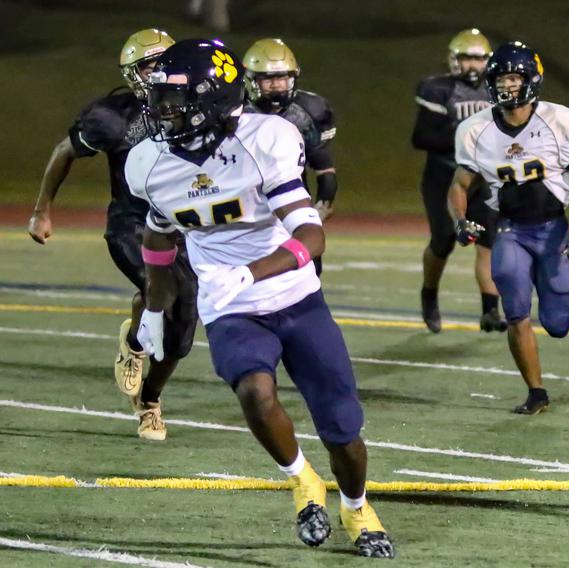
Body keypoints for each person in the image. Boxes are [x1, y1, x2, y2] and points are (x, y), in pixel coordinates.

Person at [126, 39, 393, 558]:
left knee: (342, 430)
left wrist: (248, 274)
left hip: (294, 295)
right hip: (230, 306)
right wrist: (155, 307)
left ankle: (357, 505)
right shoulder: (149, 162)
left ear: (214, 100)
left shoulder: (266, 138)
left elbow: (311, 238)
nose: (162, 111)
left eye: (175, 100)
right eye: (160, 98)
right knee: (254, 391)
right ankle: (301, 481)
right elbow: (158, 237)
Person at [26, 28, 196, 441]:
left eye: (164, 62)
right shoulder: (113, 115)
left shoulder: (194, 105)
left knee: (182, 332)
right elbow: (64, 150)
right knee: (166, 294)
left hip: (182, 224)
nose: (159, 71)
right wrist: (41, 210)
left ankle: (146, 377)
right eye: (149, 65)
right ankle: (149, 408)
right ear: (133, 73)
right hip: (132, 225)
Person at [448, 42, 569, 414]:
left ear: (532, 80)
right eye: (501, 79)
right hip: (510, 230)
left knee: (558, 323)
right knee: (515, 310)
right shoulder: (475, 130)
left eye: (515, 78)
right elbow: (459, 185)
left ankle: (543, 358)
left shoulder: (559, 120)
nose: (507, 87)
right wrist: (459, 220)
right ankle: (536, 392)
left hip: (553, 231)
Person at [412, 29, 507, 333]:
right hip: (443, 176)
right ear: (454, 60)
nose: (472, 65)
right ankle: (429, 293)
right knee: (443, 241)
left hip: (482, 178)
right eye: (466, 58)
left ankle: (490, 311)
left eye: (478, 59)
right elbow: (421, 136)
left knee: (488, 240)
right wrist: (465, 138)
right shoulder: (438, 89)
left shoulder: (497, 91)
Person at [242, 38, 337, 276]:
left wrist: (323, 203)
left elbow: (323, 165)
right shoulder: (232, 109)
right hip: (243, 201)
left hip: (289, 197)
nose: (276, 86)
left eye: (282, 78)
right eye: (268, 79)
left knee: (308, 269)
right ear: (250, 79)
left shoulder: (308, 110)